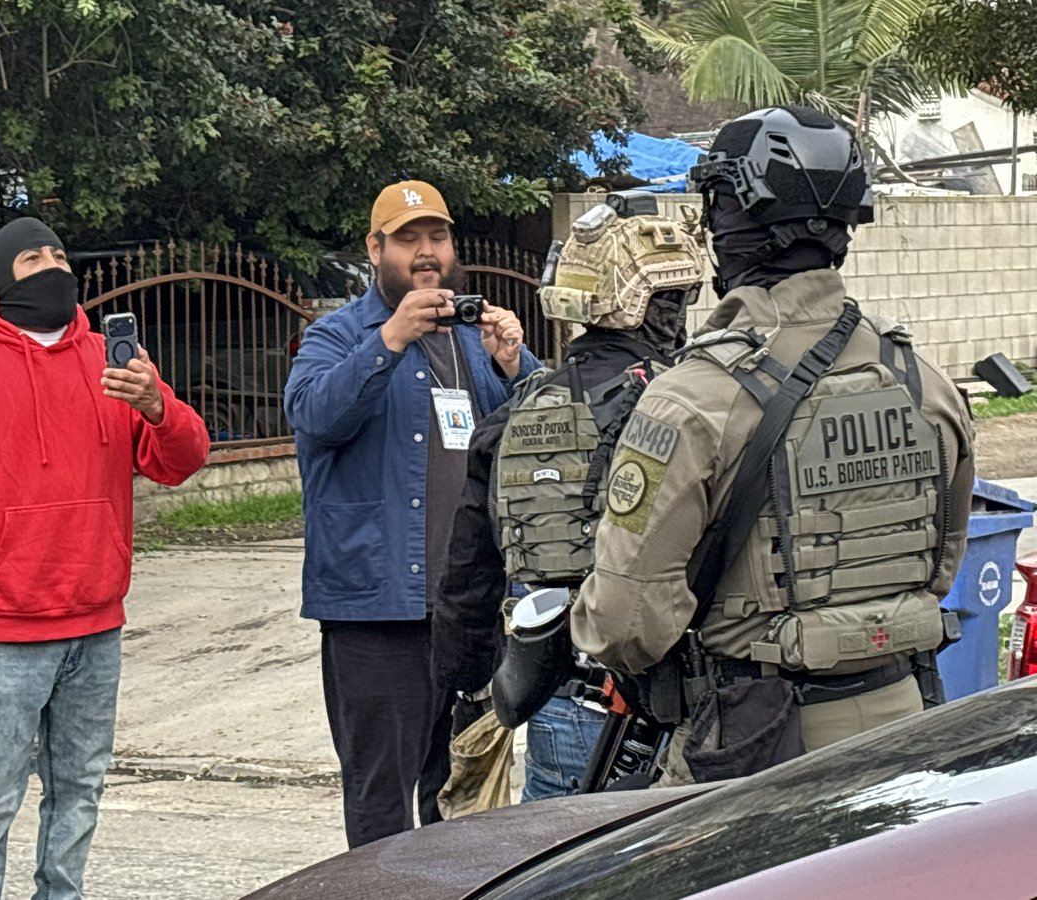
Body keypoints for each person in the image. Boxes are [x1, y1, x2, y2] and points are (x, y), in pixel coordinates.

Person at [571, 106, 975, 786]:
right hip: (911, 732)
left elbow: (625, 623)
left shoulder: (692, 397)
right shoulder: (924, 383)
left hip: (756, 748)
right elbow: (939, 564)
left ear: (735, 217)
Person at [0, 217, 210, 898]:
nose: (53, 265)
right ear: (4, 277)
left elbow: (182, 461)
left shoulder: (112, 360)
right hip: (5, 629)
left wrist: (157, 405)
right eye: (33, 257)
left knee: (79, 793)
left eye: (59, 253)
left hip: (97, 625)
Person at [283, 180, 541, 848]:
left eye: (437, 237)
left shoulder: (469, 343)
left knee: (465, 795)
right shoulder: (334, 336)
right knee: (380, 800)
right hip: (375, 615)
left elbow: (538, 430)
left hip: (466, 613)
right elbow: (315, 415)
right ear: (375, 250)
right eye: (407, 240)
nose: (426, 254)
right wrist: (389, 340)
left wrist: (515, 365)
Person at [432, 207, 705, 800]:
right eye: (677, 300)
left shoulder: (519, 410)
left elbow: (467, 581)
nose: (683, 317)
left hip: (554, 699)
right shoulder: (682, 407)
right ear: (652, 308)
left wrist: (469, 693)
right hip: (670, 701)